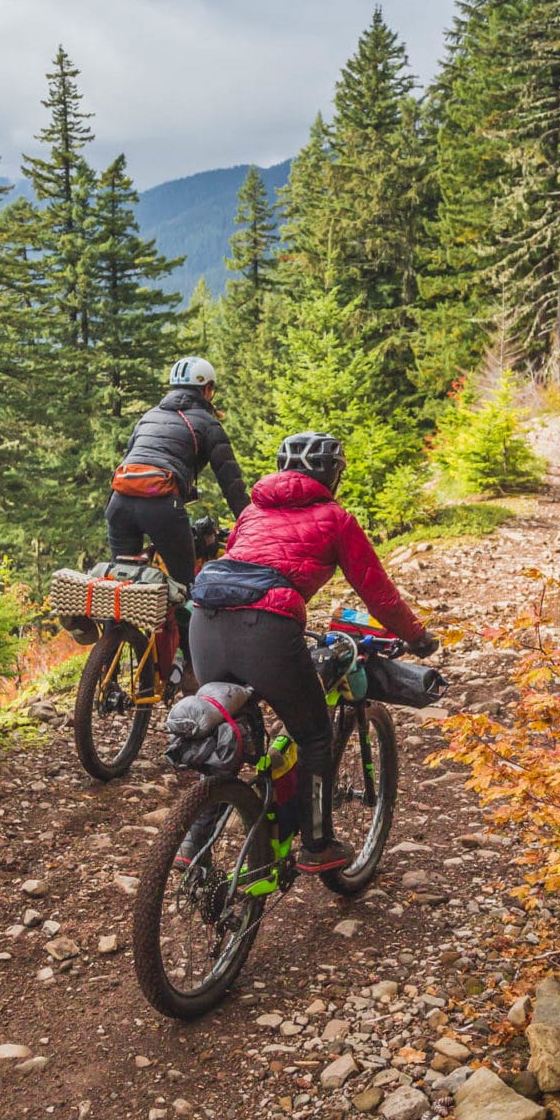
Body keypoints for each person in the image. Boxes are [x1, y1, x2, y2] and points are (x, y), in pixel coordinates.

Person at [188, 430, 439, 874]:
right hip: (267, 627)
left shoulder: (251, 512)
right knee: (314, 735)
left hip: (204, 619)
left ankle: (194, 841)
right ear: (332, 473)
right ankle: (317, 844)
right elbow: (377, 593)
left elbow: (239, 566)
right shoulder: (335, 517)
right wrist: (417, 637)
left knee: (229, 736)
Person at [108, 356, 249, 585]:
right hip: (161, 505)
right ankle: (184, 621)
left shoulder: (148, 416)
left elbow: (127, 462)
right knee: (184, 584)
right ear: (208, 389)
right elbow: (231, 483)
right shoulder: (207, 423)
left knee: (121, 582)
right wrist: (251, 523)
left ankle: (114, 622)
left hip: (119, 504)